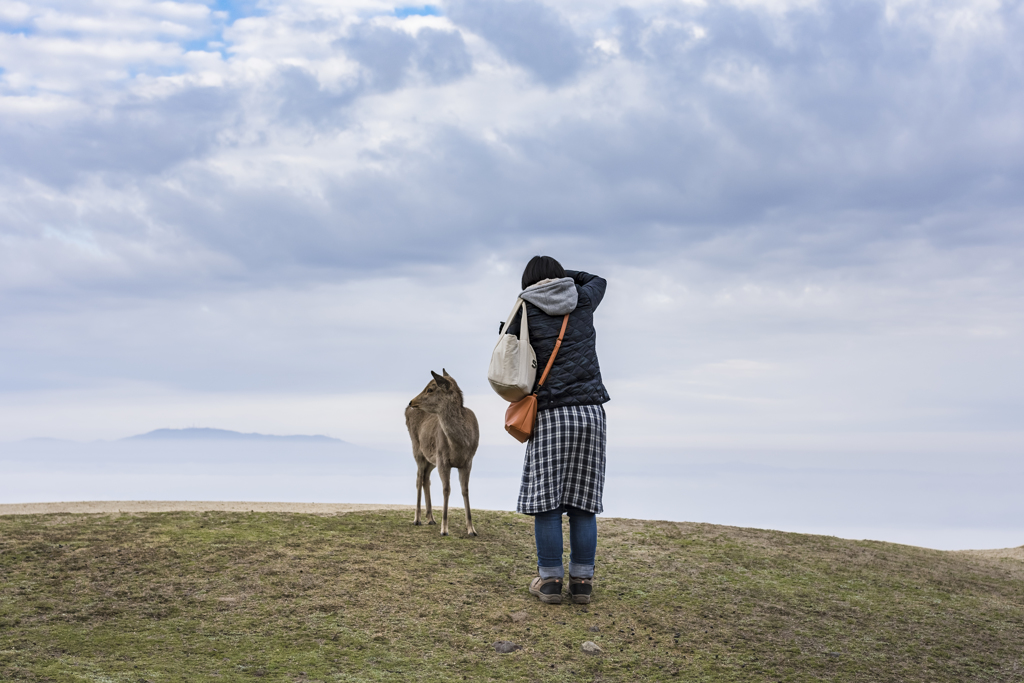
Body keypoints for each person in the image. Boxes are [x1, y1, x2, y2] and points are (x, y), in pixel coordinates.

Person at [504, 255, 610, 605]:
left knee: (547, 503)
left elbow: (508, 352)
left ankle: (549, 582)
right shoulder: (582, 298)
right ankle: (582, 583)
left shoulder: (524, 307)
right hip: (591, 413)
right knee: (583, 503)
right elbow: (598, 278)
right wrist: (567, 275)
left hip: (551, 413)